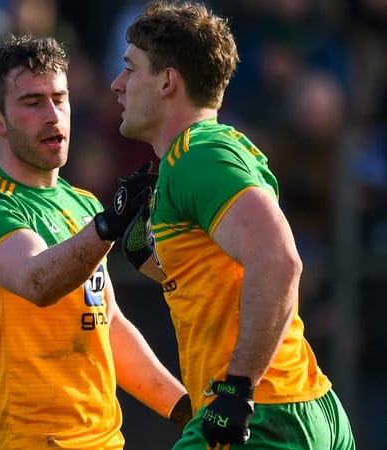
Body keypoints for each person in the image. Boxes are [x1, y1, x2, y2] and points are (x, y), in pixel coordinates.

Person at [110, 1, 356, 449]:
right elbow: (222, 275)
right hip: (287, 406)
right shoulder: (200, 155)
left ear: (167, 81)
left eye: (130, 69)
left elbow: (280, 261)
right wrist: (146, 255)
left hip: (262, 414)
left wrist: (237, 389)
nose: (117, 84)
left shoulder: (199, 157)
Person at [0, 34, 191, 449]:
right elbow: (37, 281)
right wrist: (107, 226)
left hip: (104, 440)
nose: (52, 115)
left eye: (59, 99)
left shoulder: (82, 203)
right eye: (32, 102)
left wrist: (185, 411)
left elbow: (108, 325)